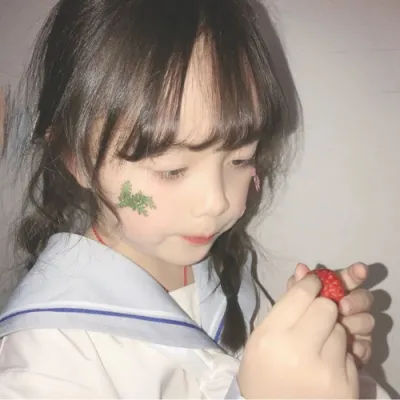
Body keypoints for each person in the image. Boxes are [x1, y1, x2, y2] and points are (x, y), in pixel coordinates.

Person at [0, 0, 389, 398]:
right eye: (172, 170)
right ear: (75, 158)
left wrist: (320, 358)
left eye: (241, 159)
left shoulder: (217, 271)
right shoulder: (46, 364)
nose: (216, 202)